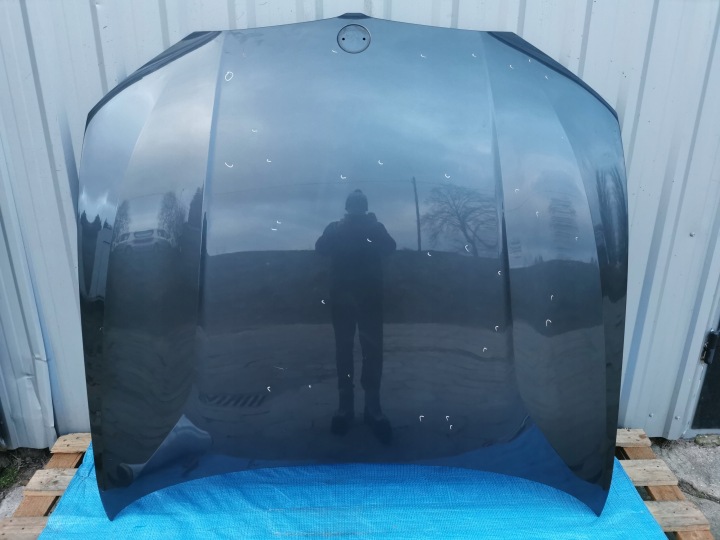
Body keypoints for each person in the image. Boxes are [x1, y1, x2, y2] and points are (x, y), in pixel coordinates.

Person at [315, 190, 396, 443]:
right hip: (342, 299)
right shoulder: (335, 227)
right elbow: (321, 248)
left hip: (370, 298)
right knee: (344, 350)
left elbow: (390, 248)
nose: (357, 211)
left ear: (365, 208)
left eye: (360, 206)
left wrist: (374, 227)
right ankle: (345, 407)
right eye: (354, 206)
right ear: (347, 208)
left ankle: (373, 408)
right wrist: (337, 230)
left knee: (373, 351)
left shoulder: (375, 227)